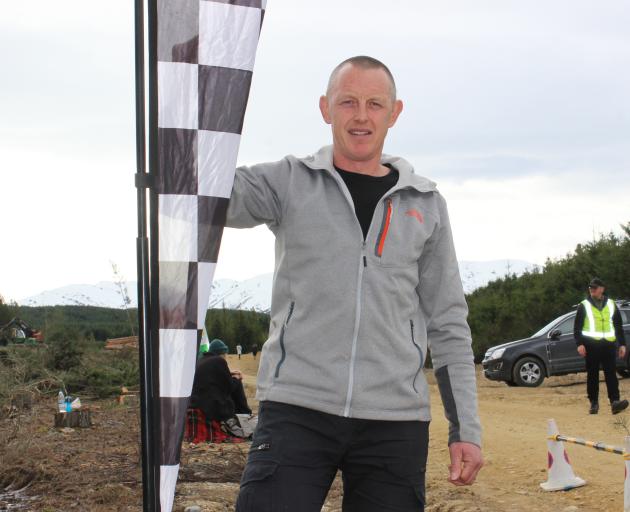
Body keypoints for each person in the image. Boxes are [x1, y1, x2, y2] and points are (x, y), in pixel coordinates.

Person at [227, 56, 483, 511]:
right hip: (297, 408)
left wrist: (466, 431)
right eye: (348, 102)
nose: (361, 115)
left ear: (394, 112)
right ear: (326, 108)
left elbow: (448, 322)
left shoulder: (425, 203)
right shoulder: (288, 182)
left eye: (374, 104)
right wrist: (185, 132)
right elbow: (211, 196)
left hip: (395, 422)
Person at [574, 278, 628, 415]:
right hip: (591, 345)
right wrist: (579, 344)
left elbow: (618, 325)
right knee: (592, 374)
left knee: (611, 373)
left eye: (595, 287)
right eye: (590, 287)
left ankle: (615, 402)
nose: (592, 289)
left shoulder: (611, 304)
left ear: (602, 289)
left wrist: (622, 344)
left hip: (608, 344)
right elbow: (577, 328)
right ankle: (594, 403)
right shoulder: (584, 305)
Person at [189, 339, 252, 423]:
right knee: (237, 383)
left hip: (196, 404)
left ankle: (245, 413)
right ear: (222, 353)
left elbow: (214, 378)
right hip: (211, 409)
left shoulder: (201, 360)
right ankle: (246, 413)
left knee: (234, 381)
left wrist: (231, 374)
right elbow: (229, 387)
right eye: (225, 354)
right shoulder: (219, 361)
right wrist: (237, 378)